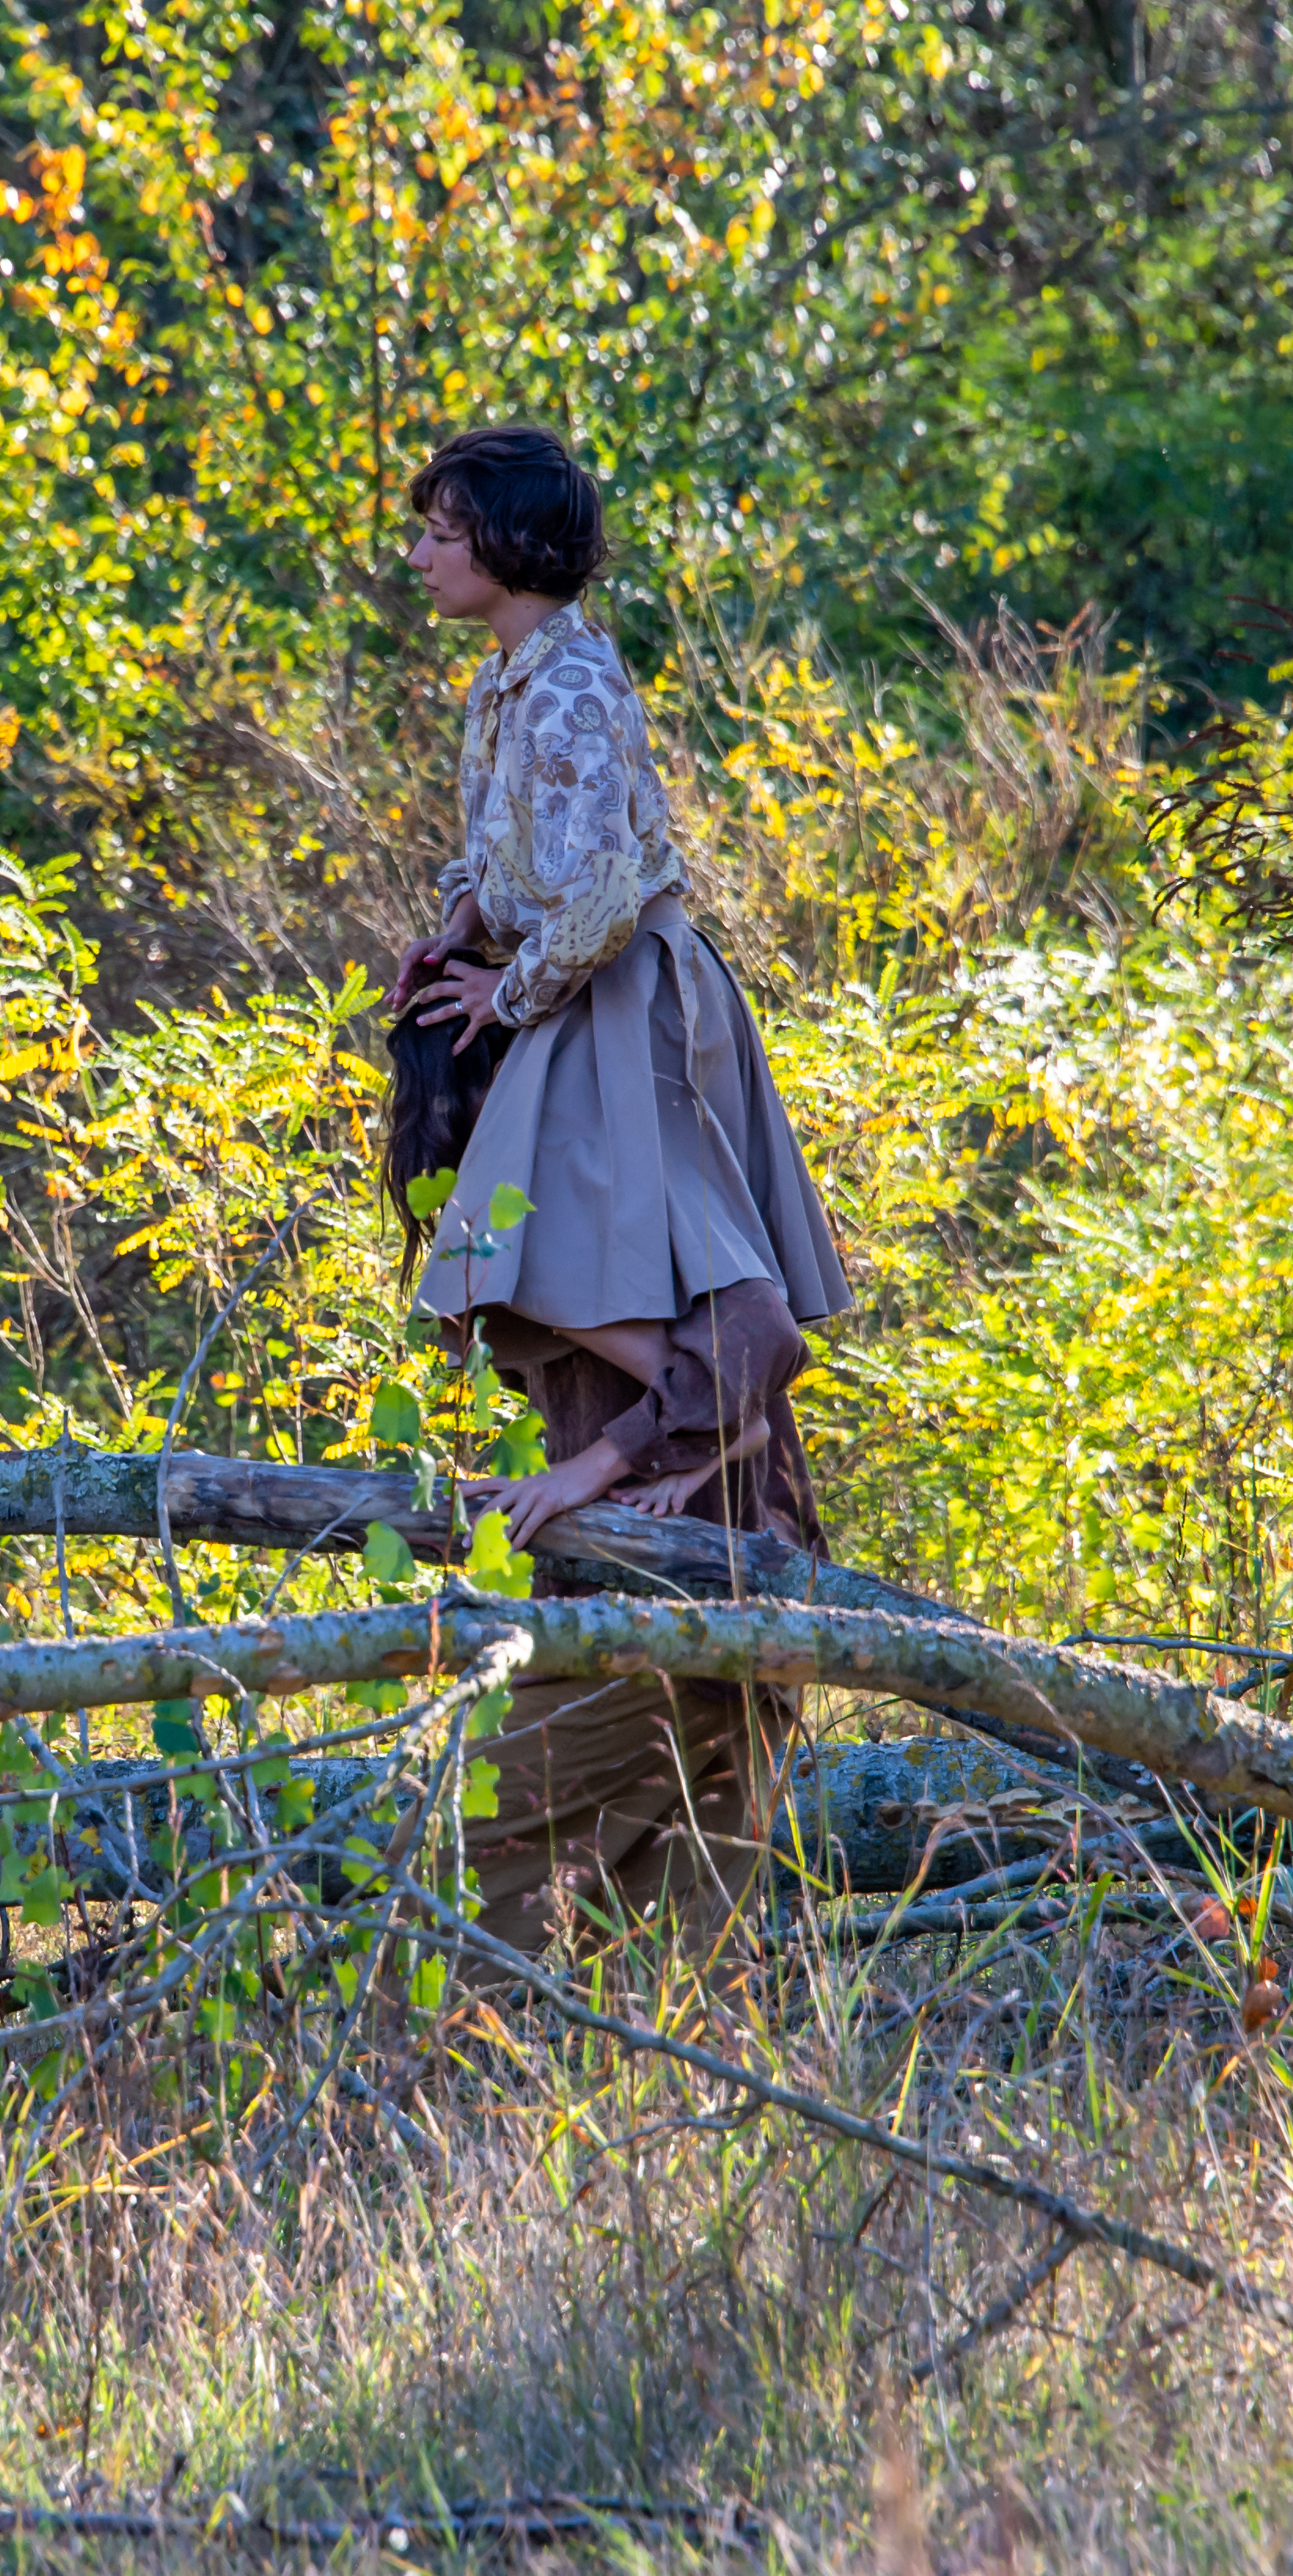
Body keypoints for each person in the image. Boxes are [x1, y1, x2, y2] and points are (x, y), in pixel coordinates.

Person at [379, 423, 852, 1964]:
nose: (423, 551)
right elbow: (504, 857)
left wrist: (504, 992)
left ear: (508, 543)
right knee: (563, 1281)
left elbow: (606, 883)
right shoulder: (506, 680)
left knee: (649, 1272)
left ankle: (668, 1502)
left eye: (444, 527)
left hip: (608, 999)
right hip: (551, 990)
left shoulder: (571, 674)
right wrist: (453, 936)